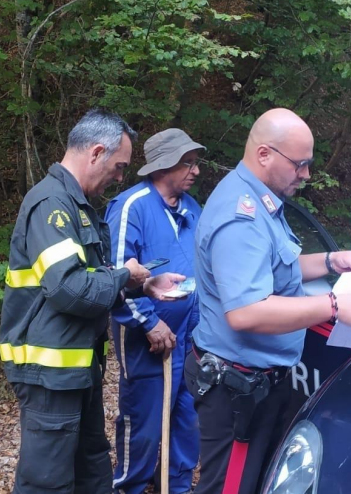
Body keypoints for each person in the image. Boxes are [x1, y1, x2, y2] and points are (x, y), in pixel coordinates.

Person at [184, 108, 351, 494]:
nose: (306, 175)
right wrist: (335, 306)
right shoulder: (240, 217)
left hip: (260, 382)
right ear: (264, 154)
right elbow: (245, 311)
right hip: (237, 389)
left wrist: (330, 261)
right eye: (300, 164)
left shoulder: (262, 201)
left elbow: (277, 269)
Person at [0, 109, 183, 494]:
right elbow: (70, 289)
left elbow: (94, 281)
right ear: (97, 152)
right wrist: (124, 275)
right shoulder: (50, 205)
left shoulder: (79, 207)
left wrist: (143, 285)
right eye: (119, 167)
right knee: (48, 481)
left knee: (93, 471)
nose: (120, 178)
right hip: (49, 374)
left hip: (77, 370)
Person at [106, 129, 205, 494]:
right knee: (143, 423)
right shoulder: (133, 206)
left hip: (190, 338)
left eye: (196, 162)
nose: (195, 171)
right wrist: (148, 321)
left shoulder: (193, 208)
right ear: (162, 165)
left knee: (187, 419)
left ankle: (175, 487)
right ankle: (129, 486)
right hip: (147, 339)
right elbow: (114, 272)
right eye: (186, 163)